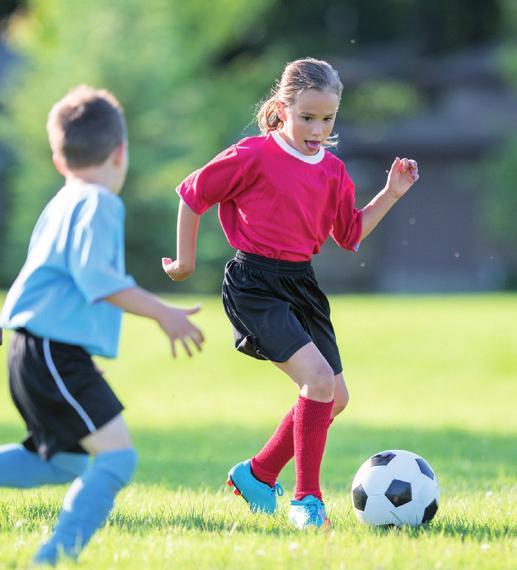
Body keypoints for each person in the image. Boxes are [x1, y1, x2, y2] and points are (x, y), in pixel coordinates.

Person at [162, 57, 419, 529]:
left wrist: (391, 194)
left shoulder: (334, 171)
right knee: (318, 383)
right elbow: (192, 194)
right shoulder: (252, 154)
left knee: (334, 397)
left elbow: (349, 232)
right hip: (254, 284)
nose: (318, 128)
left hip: (301, 284)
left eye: (328, 119)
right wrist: (184, 263)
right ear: (282, 108)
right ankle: (307, 500)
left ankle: (256, 474)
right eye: (307, 117)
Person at [0, 85, 204, 565]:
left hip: (37, 350)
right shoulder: (99, 203)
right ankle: (52, 558)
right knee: (118, 458)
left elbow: (61, 284)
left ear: (58, 159)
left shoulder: (64, 199)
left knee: (62, 463)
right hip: (51, 352)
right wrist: (164, 313)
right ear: (121, 152)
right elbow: (97, 279)